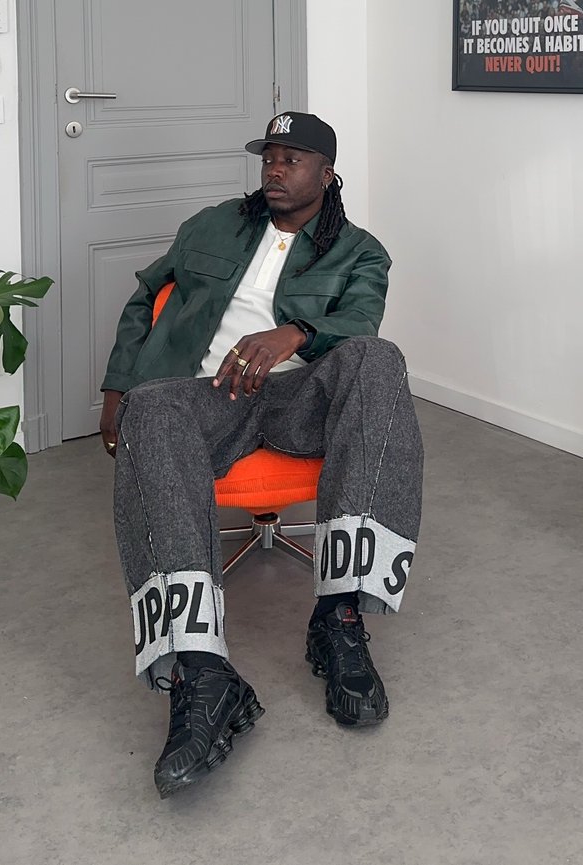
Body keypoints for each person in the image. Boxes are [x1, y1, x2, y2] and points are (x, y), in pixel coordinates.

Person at [100, 112, 424, 799]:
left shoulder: (361, 250)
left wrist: (296, 334)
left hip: (297, 397)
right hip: (205, 397)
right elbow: (141, 298)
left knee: (378, 359)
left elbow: (359, 323)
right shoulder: (213, 225)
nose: (275, 169)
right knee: (150, 406)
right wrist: (117, 386)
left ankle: (339, 618)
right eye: (268, 157)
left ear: (326, 175)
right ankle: (203, 676)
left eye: (292, 159)